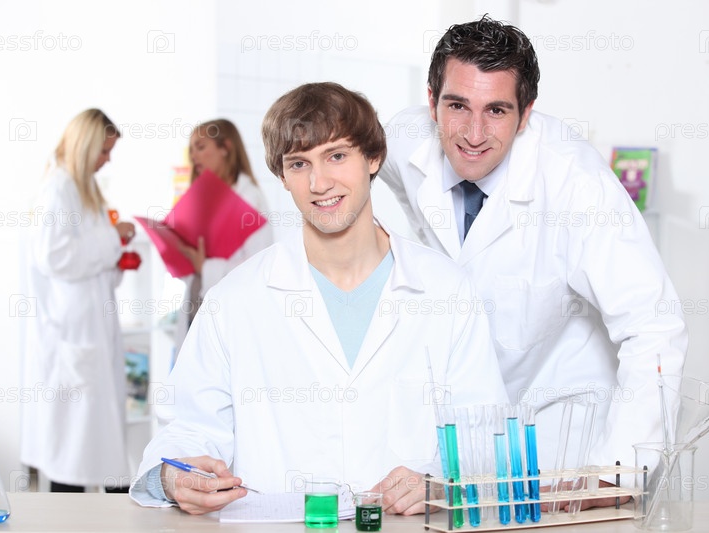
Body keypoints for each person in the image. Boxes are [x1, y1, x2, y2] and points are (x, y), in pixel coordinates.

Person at [130, 82, 508, 515]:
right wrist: (172, 477)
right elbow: (187, 431)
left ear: (373, 158)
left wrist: (440, 483)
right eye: (299, 163)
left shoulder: (447, 291)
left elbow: (485, 437)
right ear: (282, 176)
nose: (319, 182)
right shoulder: (234, 301)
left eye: (337, 156)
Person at [379, 16, 688, 504]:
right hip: (465, 424)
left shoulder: (576, 184)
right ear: (432, 100)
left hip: (562, 434)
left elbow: (655, 327)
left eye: (496, 110)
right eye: (457, 105)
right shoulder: (403, 140)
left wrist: (617, 476)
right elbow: (372, 182)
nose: (473, 133)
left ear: (525, 114)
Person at [21, 108, 135, 492]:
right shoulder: (58, 189)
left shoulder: (83, 189)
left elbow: (86, 257)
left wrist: (117, 256)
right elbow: (54, 257)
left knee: (90, 443)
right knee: (71, 449)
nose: (107, 160)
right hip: (71, 334)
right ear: (85, 146)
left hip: (89, 328)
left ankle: (102, 510)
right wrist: (112, 237)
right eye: (104, 151)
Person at [173, 119, 273, 349]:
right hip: (197, 301)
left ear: (226, 148)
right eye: (191, 150)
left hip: (231, 311)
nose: (193, 156)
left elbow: (258, 267)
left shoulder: (249, 199)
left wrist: (205, 267)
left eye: (200, 147)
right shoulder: (202, 200)